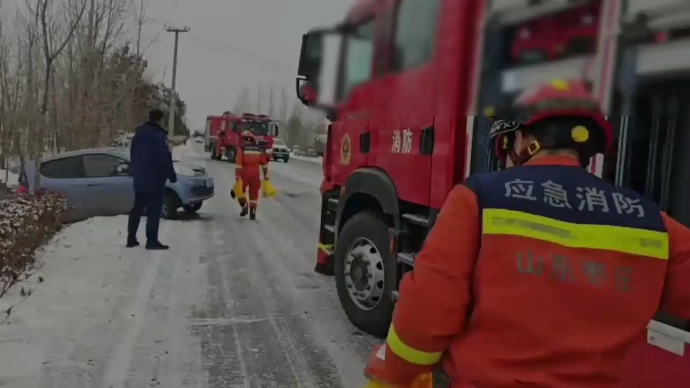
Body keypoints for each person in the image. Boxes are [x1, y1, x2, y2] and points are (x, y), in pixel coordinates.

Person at [364, 79, 690, 387]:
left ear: (523, 139)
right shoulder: (653, 223)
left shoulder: (478, 199)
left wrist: (393, 374)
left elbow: (426, 312)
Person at [127, 109, 177, 250]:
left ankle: (131, 238)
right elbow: (164, 158)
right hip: (155, 180)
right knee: (154, 210)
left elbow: (132, 155)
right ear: (160, 120)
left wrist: (135, 170)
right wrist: (171, 176)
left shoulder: (138, 135)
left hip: (140, 179)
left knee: (137, 208)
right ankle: (151, 241)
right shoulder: (159, 136)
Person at [235, 130, 268, 221]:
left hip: (245, 174)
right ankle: (252, 213)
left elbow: (238, 163)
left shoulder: (242, 149)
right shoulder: (258, 149)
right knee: (254, 195)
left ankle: (244, 205)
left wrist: (237, 176)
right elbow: (264, 163)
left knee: (239, 191)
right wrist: (265, 175)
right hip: (256, 176)